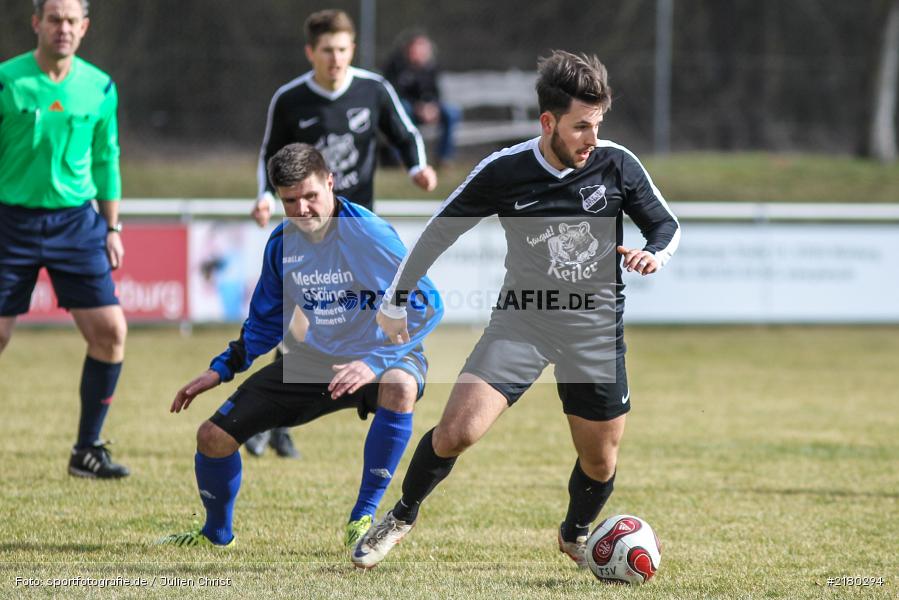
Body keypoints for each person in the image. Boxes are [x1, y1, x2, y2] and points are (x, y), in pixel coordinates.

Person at [351, 51, 681, 569]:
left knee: (600, 461)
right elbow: (439, 232)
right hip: (522, 321)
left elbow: (665, 225)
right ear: (548, 122)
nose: (591, 139)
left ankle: (574, 534)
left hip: (594, 330)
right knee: (457, 431)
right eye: (580, 127)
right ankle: (401, 516)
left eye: (597, 125)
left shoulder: (616, 162)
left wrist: (653, 254)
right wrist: (395, 299)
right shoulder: (506, 170)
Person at [159, 143, 443, 549]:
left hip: (383, 354)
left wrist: (373, 361)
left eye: (311, 196)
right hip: (316, 360)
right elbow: (264, 322)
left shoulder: (367, 234)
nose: (303, 208)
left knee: (399, 386)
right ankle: (215, 535)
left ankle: (363, 519)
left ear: (330, 183)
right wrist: (220, 369)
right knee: (212, 437)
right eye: (290, 200)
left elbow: (428, 303)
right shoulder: (281, 244)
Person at [247, 9, 439, 458]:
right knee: (300, 316)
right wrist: (262, 195)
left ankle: (387, 386)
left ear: (352, 49)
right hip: (305, 228)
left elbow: (405, 132)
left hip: (358, 233)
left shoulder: (373, 88)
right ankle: (272, 419)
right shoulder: (291, 98)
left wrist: (418, 167)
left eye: (342, 49)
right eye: (327, 50)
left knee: (368, 313)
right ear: (310, 52)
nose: (335, 58)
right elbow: (268, 153)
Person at [0, 0, 129, 479]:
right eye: (53, 19)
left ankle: (87, 451)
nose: (63, 28)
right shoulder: (7, 80)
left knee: (110, 332)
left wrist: (112, 227)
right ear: (36, 23)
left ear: (85, 27)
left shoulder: (99, 87)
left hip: (76, 224)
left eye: (72, 20)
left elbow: (106, 159)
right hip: (9, 222)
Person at [383, 31, 461, 165]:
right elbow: (393, 95)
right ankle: (399, 158)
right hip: (409, 109)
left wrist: (433, 107)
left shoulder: (431, 67)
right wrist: (416, 107)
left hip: (427, 109)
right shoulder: (396, 66)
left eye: (424, 50)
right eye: (416, 49)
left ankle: (444, 158)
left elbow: (435, 92)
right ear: (409, 49)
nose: (420, 53)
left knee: (452, 112)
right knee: (402, 109)